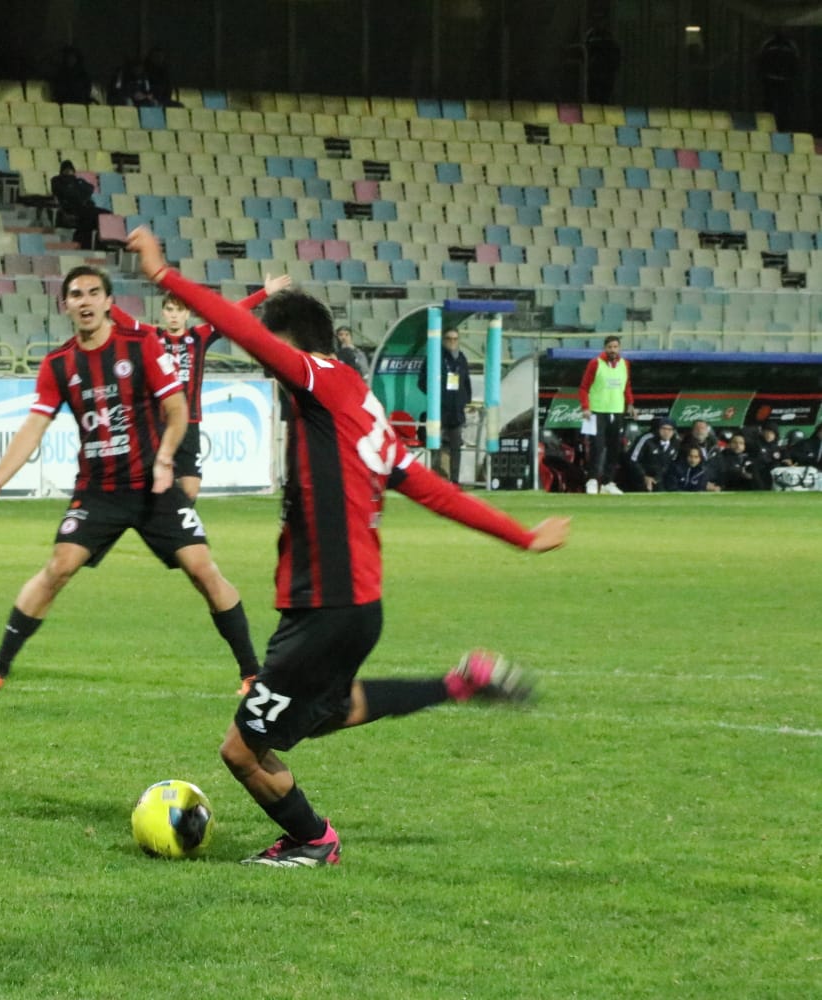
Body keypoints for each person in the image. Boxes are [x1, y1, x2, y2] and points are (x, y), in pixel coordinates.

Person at [127, 226, 570, 867]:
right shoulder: (362, 407)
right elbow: (433, 490)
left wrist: (164, 276)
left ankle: (313, 842)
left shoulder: (319, 379)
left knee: (241, 749)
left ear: (292, 348)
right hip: (354, 608)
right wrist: (523, 537)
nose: (265, 367)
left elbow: (243, 330)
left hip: (326, 608)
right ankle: (459, 683)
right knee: (327, 713)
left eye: (270, 356)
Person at [0, 264, 263, 696]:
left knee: (202, 569)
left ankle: (252, 673)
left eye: (93, 293)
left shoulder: (141, 346)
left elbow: (176, 410)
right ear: (66, 305)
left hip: (153, 487)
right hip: (99, 492)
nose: (84, 301)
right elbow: (33, 427)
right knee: (58, 567)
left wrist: (165, 459)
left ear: (108, 302)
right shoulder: (59, 363)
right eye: (76, 294)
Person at [109, 273, 292, 499]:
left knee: (190, 490)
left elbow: (230, 315)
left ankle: (174, 522)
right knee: (153, 485)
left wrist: (264, 293)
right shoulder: (152, 335)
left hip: (190, 423)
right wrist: (104, 303)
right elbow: (124, 321)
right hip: (158, 423)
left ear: (187, 314)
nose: (174, 315)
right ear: (163, 313)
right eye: (170, 310)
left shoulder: (199, 336)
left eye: (179, 310)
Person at [578, 334, 634, 494]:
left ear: (620, 348)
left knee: (615, 447)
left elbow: (626, 385)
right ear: (605, 348)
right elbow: (583, 388)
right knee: (597, 446)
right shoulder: (595, 364)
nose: (612, 350)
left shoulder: (625, 364)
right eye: (610, 347)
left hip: (616, 411)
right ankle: (592, 480)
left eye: (615, 347)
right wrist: (585, 407)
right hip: (597, 412)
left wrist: (630, 403)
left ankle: (608, 482)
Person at [417, 327, 472, 483]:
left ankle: (454, 481)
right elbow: (421, 382)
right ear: (442, 340)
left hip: (456, 411)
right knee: (436, 446)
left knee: (456, 448)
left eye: (455, 339)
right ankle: (435, 480)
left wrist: (465, 401)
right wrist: (437, 396)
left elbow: (465, 382)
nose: (452, 342)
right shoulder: (434, 358)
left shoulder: (461, 358)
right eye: (449, 338)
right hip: (439, 410)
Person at [51, 160, 108, 251]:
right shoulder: (57, 180)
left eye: (70, 170)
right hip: (71, 209)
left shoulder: (78, 181)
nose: (69, 172)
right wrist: (77, 190)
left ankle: (101, 243)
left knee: (106, 214)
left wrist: (76, 189)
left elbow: (90, 189)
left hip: (85, 208)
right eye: (66, 169)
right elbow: (68, 193)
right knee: (92, 216)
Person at [758, 31, 801, 132]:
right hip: (770, 80)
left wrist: (790, 75)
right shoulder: (768, 43)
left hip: (785, 80)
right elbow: (760, 59)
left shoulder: (790, 45)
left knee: (784, 107)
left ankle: (783, 128)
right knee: (769, 106)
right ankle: (768, 128)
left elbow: (796, 61)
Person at [628, 415, 680, 492]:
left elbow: (671, 462)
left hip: (659, 479)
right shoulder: (647, 439)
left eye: (670, 429)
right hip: (639, 478)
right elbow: (633, 459)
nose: (666, 432)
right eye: (663, 428)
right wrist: (644, 476)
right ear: (658, 429)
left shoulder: (675, 442)